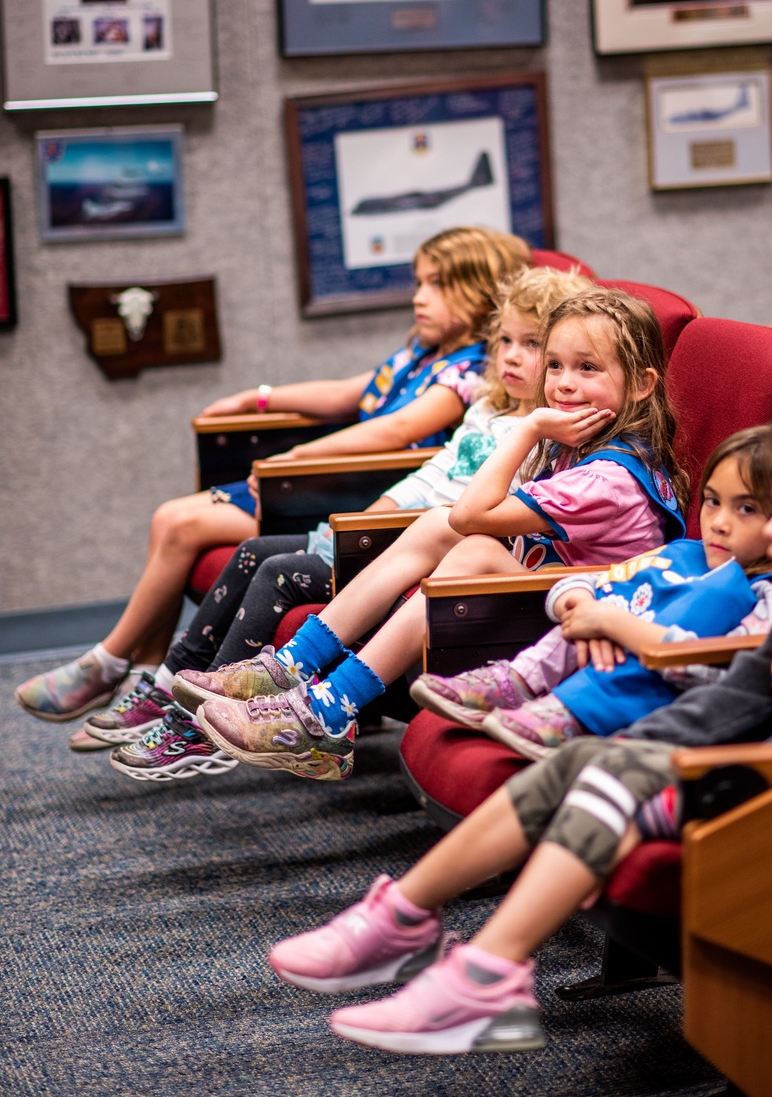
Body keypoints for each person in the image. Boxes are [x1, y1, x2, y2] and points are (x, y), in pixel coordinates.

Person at [263, 405, 772, 1055]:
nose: (771, 530)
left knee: (616, 776)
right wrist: (642, 750)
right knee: (601, 758)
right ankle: (404, 921)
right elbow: (730, 707)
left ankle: (484, 978)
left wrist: (665, 783)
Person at [13, 227, 529, 727]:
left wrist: (293, 461)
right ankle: (144, 670)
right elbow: (350, 393)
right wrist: (257, 397)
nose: (419, 297)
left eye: (437, 284)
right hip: (336, 482)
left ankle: (110, 663)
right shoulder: (420, 351)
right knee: (169, 520)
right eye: (418, 281)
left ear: (477, 291)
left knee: (177, 521)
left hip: (352, 490)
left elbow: (393, 430)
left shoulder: (468, 371)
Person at [101, 265, 594, 781]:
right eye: (505, 341)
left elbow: (480, 508)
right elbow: (428, 472)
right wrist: (375, 511)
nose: (512, 355)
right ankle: (173, 686)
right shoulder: (486, 403)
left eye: (533, 345)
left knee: (278, 571)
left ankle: (195, 727)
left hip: (413, 544)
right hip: (389, 527)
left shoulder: (541, 432)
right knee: (256, 552)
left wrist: (374, 523)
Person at [190, 289, 690, 781]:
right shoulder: (584, 444)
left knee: (469, 545)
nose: (563, 383)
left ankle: (329, 710)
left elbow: (472, 516)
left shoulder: (604, 477)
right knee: (436, 523)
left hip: (580, 625)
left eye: (588, 368)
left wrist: (528, 428)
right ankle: (295, 666)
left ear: (643, 385)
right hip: (549, 592)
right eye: (555, 365)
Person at [410, 426, 772, 759]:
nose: (720, 523)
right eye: (712, 502)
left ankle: (567, 715)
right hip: (576, 669)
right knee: (606, 596)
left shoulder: (771, 597)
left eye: (746, 509)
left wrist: (612, 621)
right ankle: (517, 683)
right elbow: (590, 581)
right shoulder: (684, 551)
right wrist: (579, 605)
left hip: (647, 701)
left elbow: (725, 673)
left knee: (620, 608)